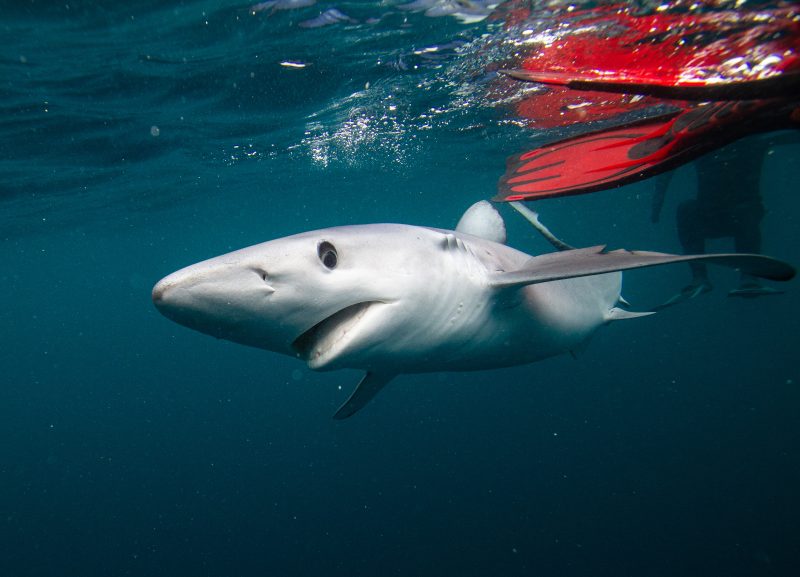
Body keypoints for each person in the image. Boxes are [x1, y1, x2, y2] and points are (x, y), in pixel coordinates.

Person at [652, 133, 796, 308]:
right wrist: (657, 203)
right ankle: (700, 277)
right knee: (686, 209)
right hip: (711, 214)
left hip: (741, 215)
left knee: (744, 212)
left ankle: (749, 277)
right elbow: (669, 164)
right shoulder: (704, 146)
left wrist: (657, 204)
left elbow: (670, 164)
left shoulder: (748, 142)